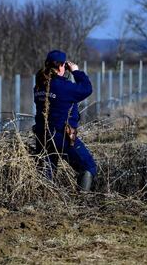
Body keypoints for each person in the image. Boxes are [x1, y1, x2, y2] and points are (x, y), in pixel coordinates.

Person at [34, 50, 96, 191]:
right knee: (88, 166)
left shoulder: (38, 86)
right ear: (62, 66)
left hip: (42, 136)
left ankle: (43, 203)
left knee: (47, 174)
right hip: (62, 137)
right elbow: (87, 89)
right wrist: (76, 71)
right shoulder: (64, 87)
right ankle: (82, 203)